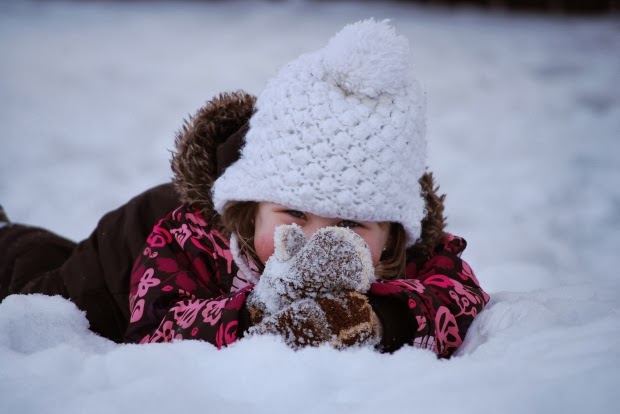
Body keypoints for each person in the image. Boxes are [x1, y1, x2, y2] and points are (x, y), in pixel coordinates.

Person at [0, 20, 489, 357]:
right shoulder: (187, 240)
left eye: (349, 222)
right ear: (253, 208)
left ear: (392, 231)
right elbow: (156, 332)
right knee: (30, 289)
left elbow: (460, 297)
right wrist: (258, 314)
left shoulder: (410, 249)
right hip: (114, 265)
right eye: (293, 214)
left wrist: (374, 318)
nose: (317, 239)